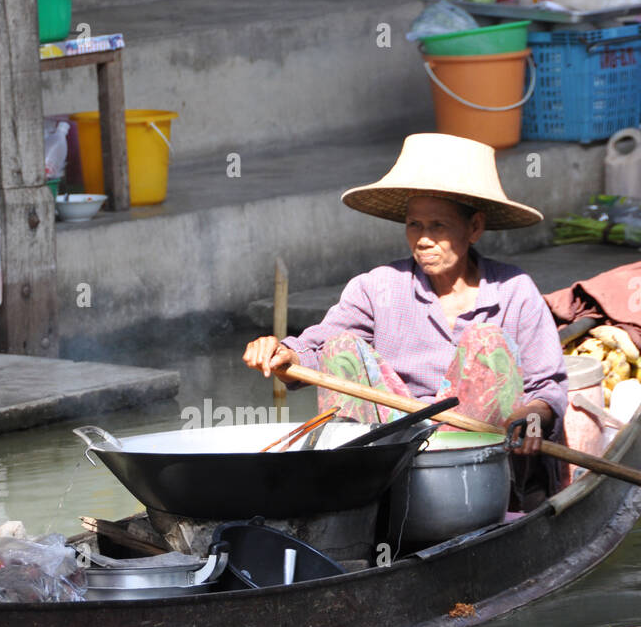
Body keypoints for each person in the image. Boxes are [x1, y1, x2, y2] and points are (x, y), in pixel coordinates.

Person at [242, 133, 567, 502]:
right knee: (342, 348)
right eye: (414, 225)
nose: (423, 240)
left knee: (486, 343)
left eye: (438, 226)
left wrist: (533, 416)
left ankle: (489, 507)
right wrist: (287, 355)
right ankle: (362, 502)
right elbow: (317, 348)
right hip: (396, 459)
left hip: (486, 465)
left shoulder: (515, 290)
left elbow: (548, 389)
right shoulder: (377, 287)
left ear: (474, 227)